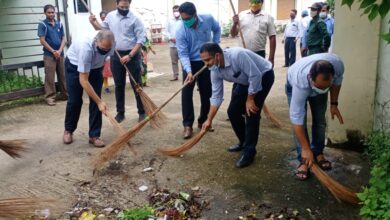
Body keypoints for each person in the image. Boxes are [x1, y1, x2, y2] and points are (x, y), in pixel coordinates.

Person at [200, 43, 274, 168]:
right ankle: (244, 141)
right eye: (204, 61)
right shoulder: (214, 70)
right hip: (244, 81)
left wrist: (250, 99)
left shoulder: (238, 55)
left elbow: (255, 75)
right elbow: (216, 96)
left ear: (217, 55)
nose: (206, 64)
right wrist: (209, 120)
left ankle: (249, 152)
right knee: (233, 112)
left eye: (208, 60)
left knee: (251, 112)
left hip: (263, 76)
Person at [285, 53, 344, 180]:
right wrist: (306, 148)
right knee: (301, 122)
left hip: (319, 82)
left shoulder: (338, 66)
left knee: (320, 120)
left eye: (326, 87)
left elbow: (337, 83)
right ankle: (303, 159)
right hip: (294, 84)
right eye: (319, 87)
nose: (322, 89)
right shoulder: (300, 81)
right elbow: (296, 118)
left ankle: (317, 152)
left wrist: (334, 104)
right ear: (311, 78)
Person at [89, 0, 146, 123]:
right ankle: (120, 113)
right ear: (117, 5)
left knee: (136, 84)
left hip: (132, 54)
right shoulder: (110, 16)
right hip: (116, 53)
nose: (124, 9)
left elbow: (141, 40)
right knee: (119, 85)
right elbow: (102, 30)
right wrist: (94, 23)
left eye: (126, 7)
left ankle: (142, 112)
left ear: (129, 5)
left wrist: (130, 55)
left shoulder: (135, 19)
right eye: (121, 7)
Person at [176, 2, 221, 139]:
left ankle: (203, 121)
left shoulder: (207, 19)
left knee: (207, 93)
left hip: (206, 62)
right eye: (182, 19)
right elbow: (183, 54)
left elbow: (217, 29)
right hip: (190, 63)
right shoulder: (180, 30)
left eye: (187, 19)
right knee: (186, 93)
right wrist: (189, 72)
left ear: (195, 15)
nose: (185, 21)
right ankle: (187, 125)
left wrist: (215, 46)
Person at [62, 30, 115, 148]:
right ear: (96, 41)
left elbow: (106, 58)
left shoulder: (110, 44)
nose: (105, 51)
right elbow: (83, 81)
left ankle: (94, 135)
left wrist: (98, 101)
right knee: (75, 100)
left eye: (107, 49)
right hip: (74, 65)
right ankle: (68, 130)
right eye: (103, 48)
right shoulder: (85, 48)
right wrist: (100, 102)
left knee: (96, 100)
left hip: (96, 68)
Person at [37, 4, 67, 106]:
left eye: (52, 12)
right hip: (49, 55)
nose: (51, 14)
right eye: (49, 12)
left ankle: (64, 94)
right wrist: (53, 51)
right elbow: (42, 40)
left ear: (55, 12)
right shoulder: (43, 24)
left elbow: (63, 38)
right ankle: (50, 97)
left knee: (62, 75)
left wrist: (59, 50)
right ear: (45, 13)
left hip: (60, 54)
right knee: (50, 76)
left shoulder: (59, 24)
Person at [230, 0, 276, 66]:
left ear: (262, 3)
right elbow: (233, 34)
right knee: (244, 75)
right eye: (252, 1)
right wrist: (234, 24)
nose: (254, 4)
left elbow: (272, 37)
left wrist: (271, 58)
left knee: (258, 74)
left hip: (259, 53)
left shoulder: (268, 17)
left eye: (257, 1)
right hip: (243, 53)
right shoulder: (241, 15)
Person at [167, 5, 182, 81]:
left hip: (181, 45)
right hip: (172, 45)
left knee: (184, 60)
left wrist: (179, 38)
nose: (176, 12)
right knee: (174, 61)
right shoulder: (170, 21)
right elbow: (166, 31)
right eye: (174, 11)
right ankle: (175, 75)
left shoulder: (183, 20)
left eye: (177, 11)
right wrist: (170, 38)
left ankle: (186, 75)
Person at [100, 10, 112, 94]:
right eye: (102, 18)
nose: (104, 19)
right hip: (103, 52)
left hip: (112, 51)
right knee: (104, 72)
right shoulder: (99, 27)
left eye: (105, 17)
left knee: (112, 70)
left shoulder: (111, 26)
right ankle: (106, 86)